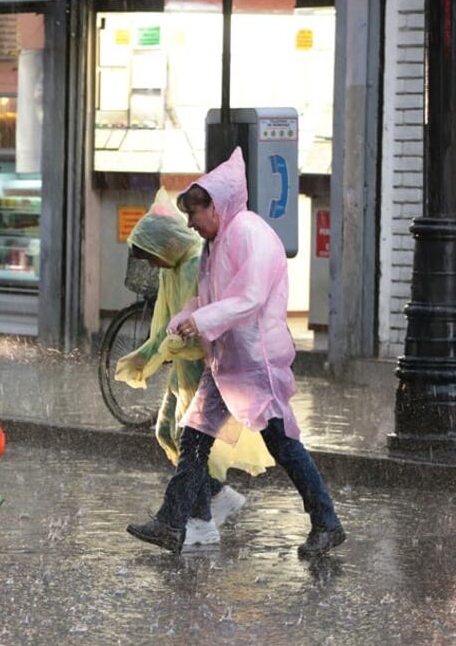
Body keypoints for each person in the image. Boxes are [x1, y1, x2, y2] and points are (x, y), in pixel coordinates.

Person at [127, 148, 345, 557]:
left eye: (194, 214)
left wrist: (201, 319)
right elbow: (208, 297)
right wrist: (188, 316)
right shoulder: (216, 242)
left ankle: (327, 522)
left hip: (255, 362)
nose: (190, 223)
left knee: (283, 445)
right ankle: (171, 522)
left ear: (215, 206)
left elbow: (249, 297)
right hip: (226, 362)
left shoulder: (248, 233)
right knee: (193, 438)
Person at [116, 189, 274, 547]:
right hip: (186, 370)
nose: (152, 265)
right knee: (172, 434)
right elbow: (167, 321)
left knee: (189, 441)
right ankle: (212, 501)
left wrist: (164, 350)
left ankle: (198, 517)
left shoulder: (192, 266)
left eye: (152, 257)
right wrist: (149, 353)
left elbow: (200, 323)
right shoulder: (173, 268)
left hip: (204, 369)